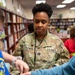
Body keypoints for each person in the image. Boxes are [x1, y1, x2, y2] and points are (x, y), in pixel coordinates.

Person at [12, 3, 69, 72]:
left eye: (43, 22)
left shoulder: (57, 41)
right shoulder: (24, 40)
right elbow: (14, 61)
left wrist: (54, 68)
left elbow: (65, 60)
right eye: (37, 21)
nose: (39, 25)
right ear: (33, 21)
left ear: (48, 22)